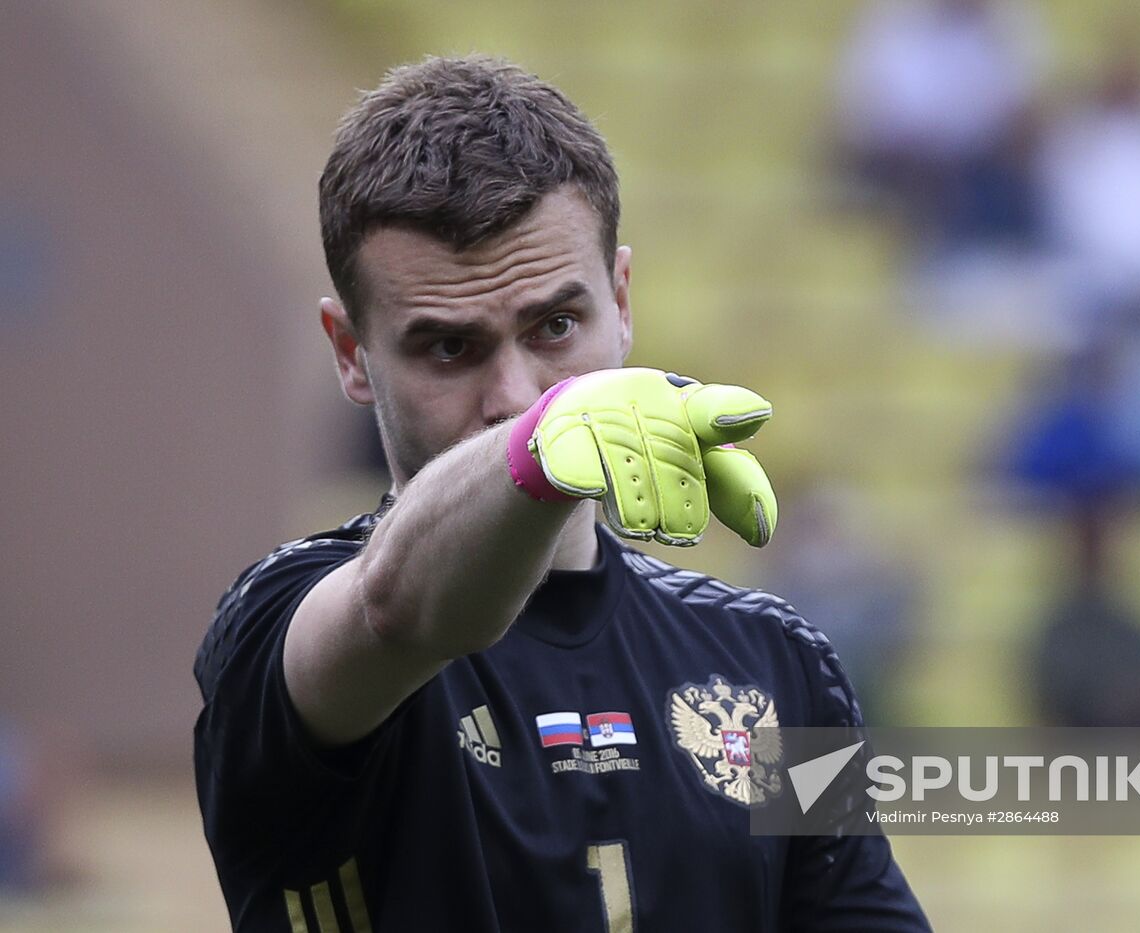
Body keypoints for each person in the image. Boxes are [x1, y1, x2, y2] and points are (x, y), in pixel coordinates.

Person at [193, 55, 930, 932]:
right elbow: (399, 608)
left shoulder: (776, 663)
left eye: (555, 326)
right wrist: (539, 452)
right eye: (447, 348)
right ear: (351, 352)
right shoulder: (274, 623)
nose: (517, 394)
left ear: (622, 300)